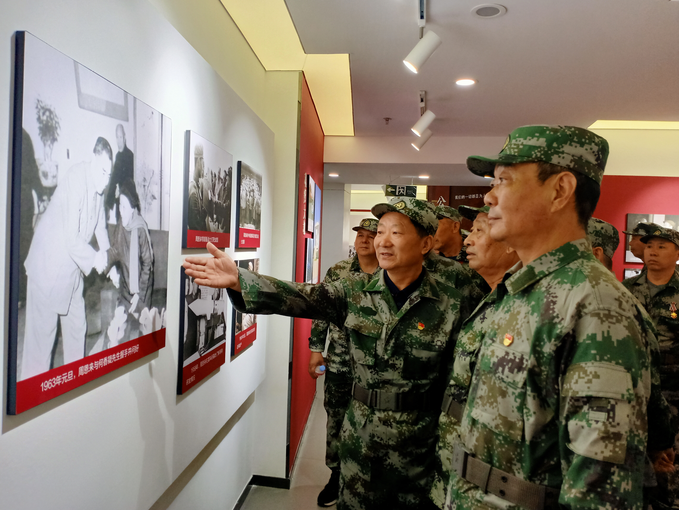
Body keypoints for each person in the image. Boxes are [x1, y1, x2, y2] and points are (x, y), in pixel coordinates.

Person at [184, 197, 476, 510]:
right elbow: (300, 296)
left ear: (426, 243)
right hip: (361, 440)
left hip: (421, 445)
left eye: (397, 233)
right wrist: (241, 280)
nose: (383, 242)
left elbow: (460, 384)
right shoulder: (352, 291)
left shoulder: (452, 301)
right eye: (380, 232)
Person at [439, 125, 663, 510]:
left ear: (560, 190)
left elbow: (599, 489)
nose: (490, 196)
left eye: (504, 180)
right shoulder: (520, 289)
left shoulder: (596, 306)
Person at [430, 204, 519, 509]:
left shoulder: (529, 309)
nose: (467, 240)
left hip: (497, 486)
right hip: (457, 468)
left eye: (479, 231)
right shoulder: (488, 298)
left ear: (510, 243)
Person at [21, 137, 113, 380]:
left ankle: (74, 387)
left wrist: (110, 264)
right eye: (103, 172)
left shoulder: (99, 188)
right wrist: (96, 260)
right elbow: (72, 239)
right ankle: (30, 407)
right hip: (48, 270)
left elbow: (100, 228)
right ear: (93, 159)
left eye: (109, 174)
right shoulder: (76, 178)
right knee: (41, 346)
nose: (105, 180)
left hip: (71, 272)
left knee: (76, 329)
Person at [308, 217, 380, 507]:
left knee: (373, 423)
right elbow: (321, 309)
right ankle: (337, 475)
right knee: (336, 418)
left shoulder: (389, 273)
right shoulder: (338, 271)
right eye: (360, 235)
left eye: (370, 235)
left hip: (375, 369)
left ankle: (366, 477)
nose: (363, 240)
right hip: (339, 362)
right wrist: (316, 349)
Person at [624, 226, 679, 509]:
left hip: (673, 396)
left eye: (662, 246)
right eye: (649, 246)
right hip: (637, 393)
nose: (653, 251)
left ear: (677, 253)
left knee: (671, 471)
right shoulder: (626, 290)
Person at [106, 179, 154, 345]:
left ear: (133, 209)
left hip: (142, 289)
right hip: (125, 288)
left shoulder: (140, 228)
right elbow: (114, 250)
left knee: (142, 332)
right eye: (120, 206)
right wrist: (103, 262)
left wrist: (140, 295)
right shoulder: (120, 225)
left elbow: (148, 264)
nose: (121, 210)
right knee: (118, 329)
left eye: (124, 207)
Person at [105, 124, 134, 216]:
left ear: (124, 137)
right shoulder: (117, 156)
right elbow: (114, 178)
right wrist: (108, 205)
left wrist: (120, 190)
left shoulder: (130, 156)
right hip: (119, 201)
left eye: (121, 137)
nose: (119, 141)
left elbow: (130, 182)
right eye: (117, 137)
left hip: (128, 201)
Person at [188, 144, 207, 231]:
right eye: (203, 165)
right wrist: (205, 211)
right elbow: (196, 227)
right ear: (198, 162)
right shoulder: (193, 192)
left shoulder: (197, 187)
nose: (203, 168)